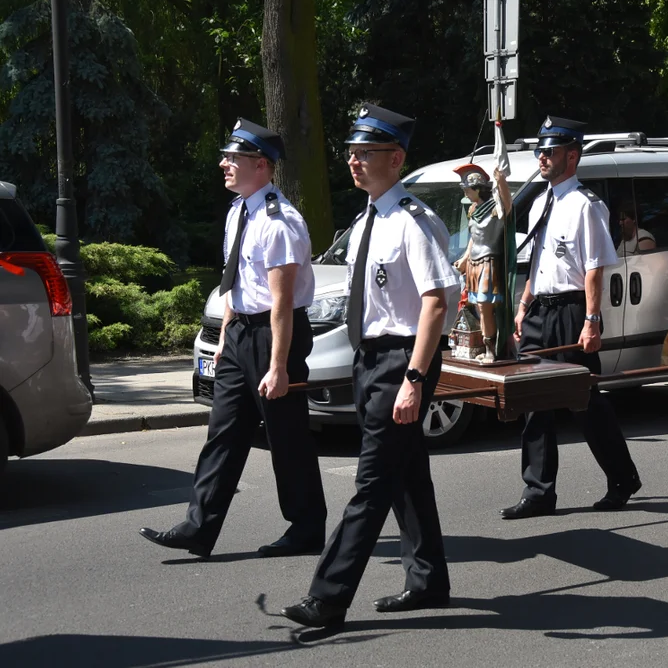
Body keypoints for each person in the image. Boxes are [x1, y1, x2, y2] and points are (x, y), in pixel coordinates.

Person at [282, 104, 457, 627]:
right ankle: (429, 581)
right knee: (407, 476)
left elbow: (436, 304)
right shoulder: (367, 220)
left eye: (367, 153)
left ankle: (328, 597)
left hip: (403, 360)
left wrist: (415, 380)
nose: (354, 161)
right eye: (352, 153)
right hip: (370, 359)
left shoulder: (412, 221)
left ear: (396, 158)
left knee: (372, 481)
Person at [140, 119, 327, 559]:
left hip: (273, 335)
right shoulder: (238, 211)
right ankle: (198, 527)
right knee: (222, 433)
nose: (224, 163)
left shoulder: (280, 221)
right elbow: (237, 285)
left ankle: (306, 528)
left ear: (260, 165)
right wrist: (226, 334)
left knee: (287, 436)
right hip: (242, 332)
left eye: (233, 158)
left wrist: (278, 365)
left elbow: (281, 302)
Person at [503, 115, 641, 520]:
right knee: (532, 401)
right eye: (540, 151)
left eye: (551, 151)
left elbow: (595, 267)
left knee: (583, 401)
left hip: (571, 309)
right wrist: (523, 303)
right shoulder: (543, 201)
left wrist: (592, 320)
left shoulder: (586, 205)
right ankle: (539, 490)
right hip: (540, 310)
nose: (542, 157)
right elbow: (539, 262)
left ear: (572, 155)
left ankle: (622, 477)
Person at [452, 163, 512, 362]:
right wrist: (464, 258)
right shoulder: (472, 209)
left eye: (467, 189)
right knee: (477, 307)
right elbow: (473, 237)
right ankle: (481, 345)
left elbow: (507, 203)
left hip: (488, 261)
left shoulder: (496, 209)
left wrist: (501, 180)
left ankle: (491, 349)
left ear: (478, 189)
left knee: (485, 307)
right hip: (474, 262)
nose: (466, 193)